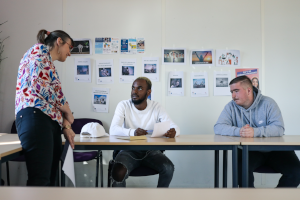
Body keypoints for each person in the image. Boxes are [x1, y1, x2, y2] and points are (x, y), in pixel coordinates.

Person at [214, 75, 300, 188]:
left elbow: (279, 128)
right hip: (249, 151)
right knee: (241, 171)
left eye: (236, 91)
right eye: (231, 92)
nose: (233, 96)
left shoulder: (268, 103)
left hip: (276, 149)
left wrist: (255, 132)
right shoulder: (230, 107)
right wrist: (240, 131)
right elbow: (218, 127)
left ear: (248, 90)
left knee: (296, 172)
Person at [15, 29, 76, 186]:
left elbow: (51, 96)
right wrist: (68, 113)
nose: (70, 53)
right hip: (35, 118)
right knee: (40, 180)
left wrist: (65, 123)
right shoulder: (39, 53)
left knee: (49, 180)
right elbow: (43, 88)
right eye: (70, 47)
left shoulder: (47, 60)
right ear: (59, 41)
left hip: (46, 120)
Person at [109, 77, 180, 187]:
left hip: (151, 151)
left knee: (169, 168)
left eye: (140, 88)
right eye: (133, 88)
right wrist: (133, 132)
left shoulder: (156, 107)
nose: (135, 92)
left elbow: (174, 126)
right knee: (118, 172)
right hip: (128, 150)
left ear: (148, 92)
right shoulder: (123, 105)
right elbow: (113, 130)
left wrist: (174, 132)